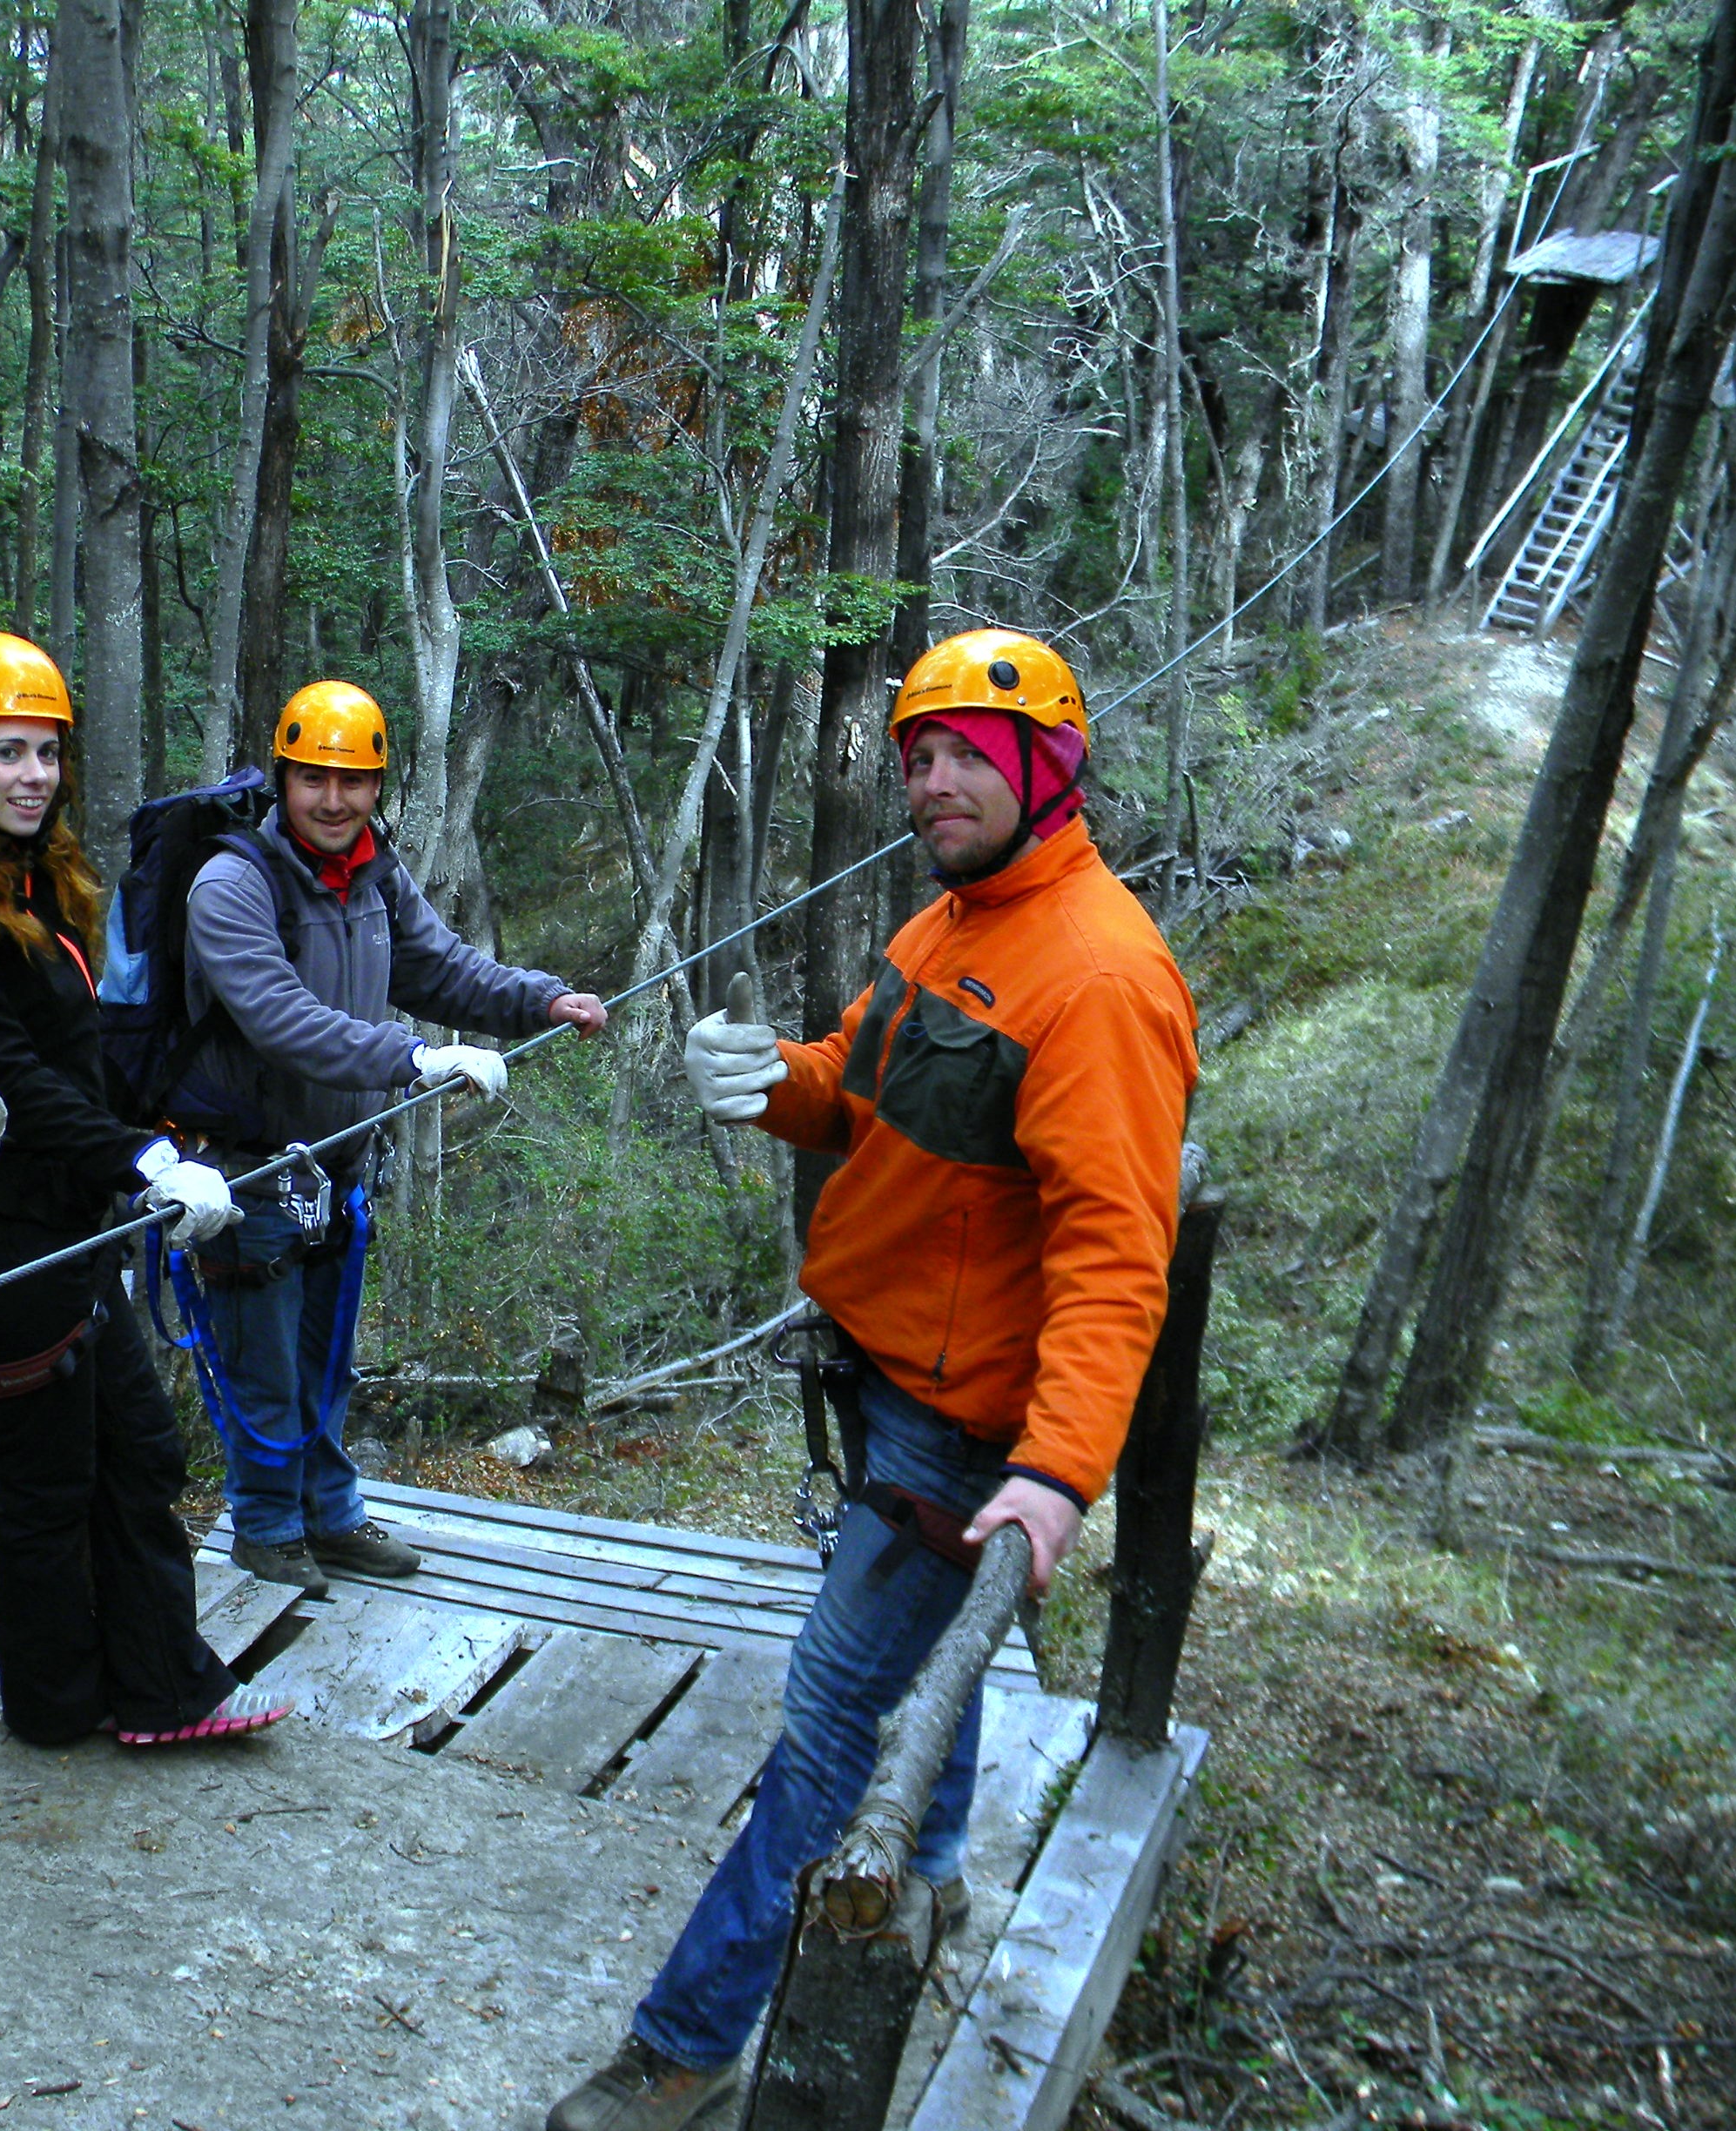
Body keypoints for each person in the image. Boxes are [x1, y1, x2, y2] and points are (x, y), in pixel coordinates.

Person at [545, 629, 1199, 2131]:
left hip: (966, 1432)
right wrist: (766, 1079)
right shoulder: (950, 920)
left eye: (969, 753)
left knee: (832, 1716)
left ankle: (685, 2043)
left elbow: (1117, 1259)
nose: (934, 781)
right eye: (919, 755)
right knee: (897, 1676)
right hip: (889, 1380)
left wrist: (1054, 1474)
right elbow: (857, 1084)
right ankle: (931, 1872)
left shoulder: (1100, 978)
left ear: (1048, 766)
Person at [0, 629, 294, 1749]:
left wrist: (153, 1135)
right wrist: (139, 1162)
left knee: (132, 1458)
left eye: (48, 754)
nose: (34, 776)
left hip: (62, 1229)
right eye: (8, 753)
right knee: (54, 1484)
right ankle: (64, 1707)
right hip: (1, 1244)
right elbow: (7, 1078)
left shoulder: (26, 882)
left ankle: (152, 1691)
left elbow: (78, 1055)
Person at [177, 680, 609, 1595]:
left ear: (378, 786)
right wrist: (412, 1058)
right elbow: (279, 1018)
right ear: (284, 779)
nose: (333, 801)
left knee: (327, 1360)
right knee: (265, 1364)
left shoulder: (375, 876)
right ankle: (266, 1528)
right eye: (314, 780)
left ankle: (330, 1517)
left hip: (336, 1165)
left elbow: (443, 969)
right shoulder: (232, 885)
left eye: (353, 782)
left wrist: (541, 999)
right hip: (249, 1172)